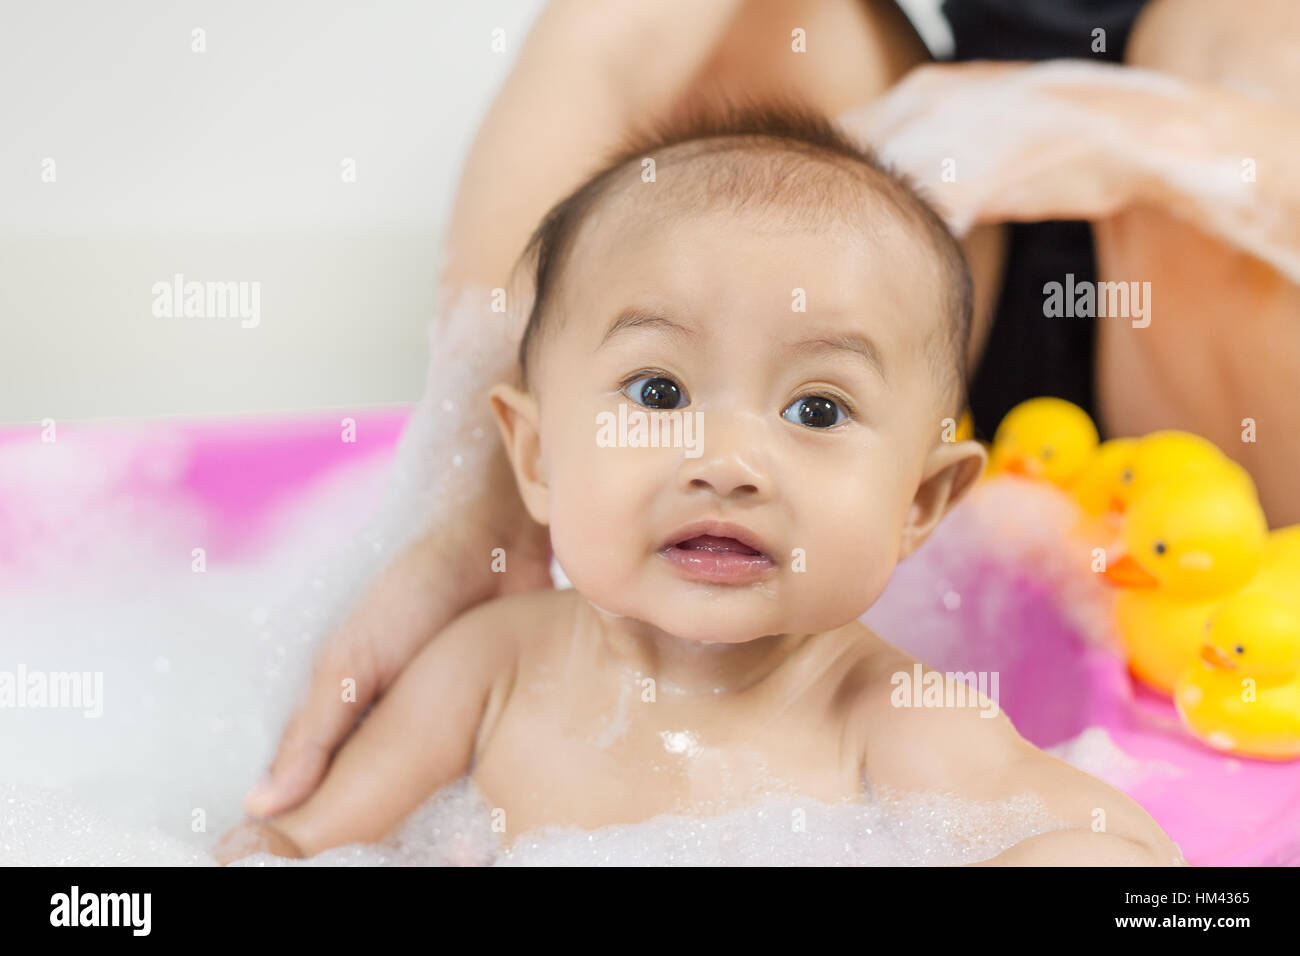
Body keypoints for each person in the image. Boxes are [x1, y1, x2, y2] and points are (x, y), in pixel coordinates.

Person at [242, 0, 1300, 825]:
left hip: (1223, 311)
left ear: (926, 499)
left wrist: (1156, 135)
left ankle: (820, 408)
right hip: (919, 246)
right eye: (659, 395)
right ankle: (787, 402)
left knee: (1250, 30)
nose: (724, 464)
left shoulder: (893, 716)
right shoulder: (493, 672)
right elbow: (606, 43)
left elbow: (1098, 839)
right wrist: (463, 504)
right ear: (533, 443)